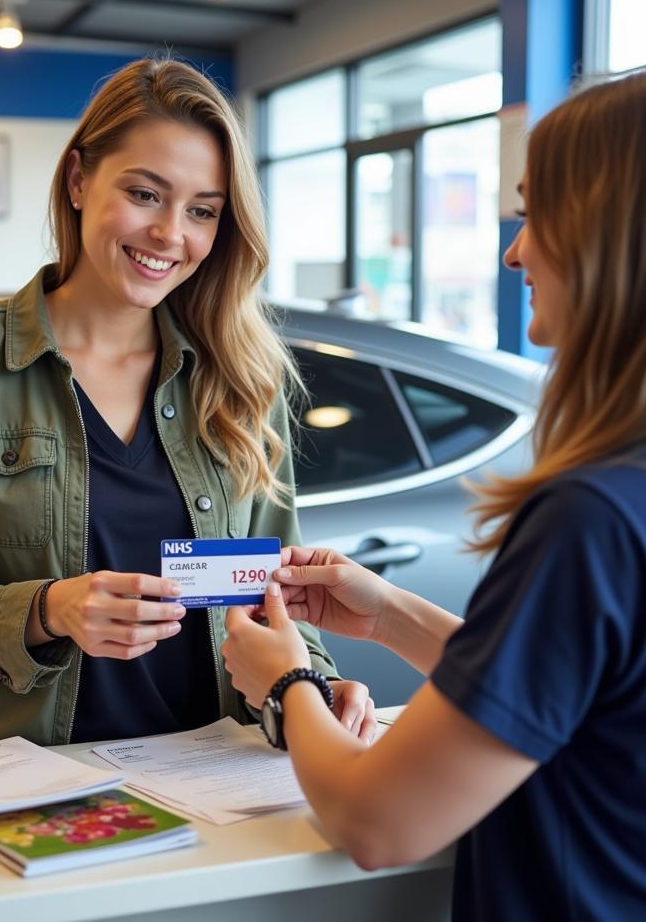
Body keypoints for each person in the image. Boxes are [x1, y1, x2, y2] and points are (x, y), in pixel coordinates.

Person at [220, 71, 646, 920]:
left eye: (534, 215)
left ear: (607, 233)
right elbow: (568, 702)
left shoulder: (589, 520)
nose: (513, 252)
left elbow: (377, 822)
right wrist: (387, 618)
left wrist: (287, 684)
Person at [0, 57, 375, 752]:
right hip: (27, 774)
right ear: (80, 179)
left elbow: (280, 589)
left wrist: (314, 682)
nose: (170, 234)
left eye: (202, 211)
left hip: (216, 769)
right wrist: (51, 608)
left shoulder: (240, 373)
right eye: (146, 195)